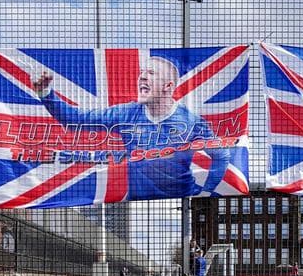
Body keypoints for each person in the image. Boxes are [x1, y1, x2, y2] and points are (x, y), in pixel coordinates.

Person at [31, 56, 225, 200]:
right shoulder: (127, 113)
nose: (142, 77)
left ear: (168, 86)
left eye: (151, 73)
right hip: (138, 203)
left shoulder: (191, 122)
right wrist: (46, 93)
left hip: (180, 204)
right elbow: (75, 119)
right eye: (142, 72)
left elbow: (221, 155)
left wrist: (207, 191)